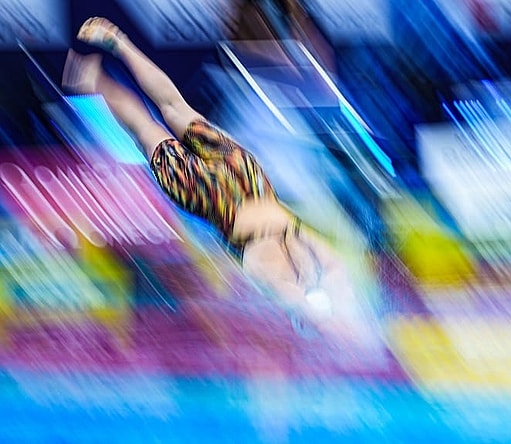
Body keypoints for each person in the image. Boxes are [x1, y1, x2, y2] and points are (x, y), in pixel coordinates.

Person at [63, 17, 382, 351]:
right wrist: (358, 334)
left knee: (164, 113)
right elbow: (333, 288)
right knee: (154, 120)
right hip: (229, 186)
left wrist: (348, 328)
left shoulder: (283, 280)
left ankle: (108, 61)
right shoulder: (312, 269)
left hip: (224, 188)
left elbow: (315, 299)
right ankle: (101, 70)